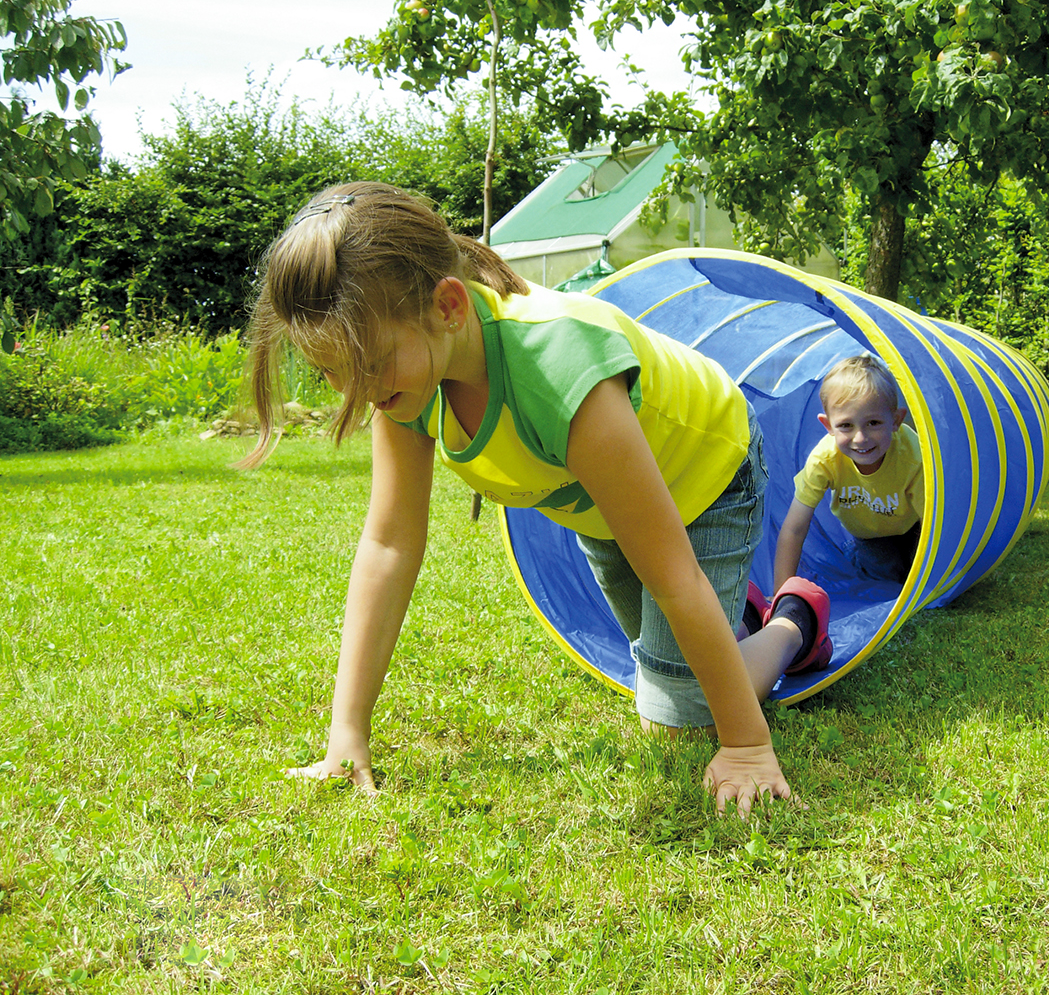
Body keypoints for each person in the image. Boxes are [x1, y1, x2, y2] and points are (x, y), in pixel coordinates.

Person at [241, 182, 832, 817]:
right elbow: (389, 544)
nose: (356, 391)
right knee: (677, 670)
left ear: (447, 306)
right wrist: (346, 733)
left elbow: (673, 573)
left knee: (680, 717)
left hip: (707, 472)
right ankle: (732, 615)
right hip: (603, 508)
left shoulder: (557, 366)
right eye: (333, 372)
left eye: (370, 363)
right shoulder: (401, 381)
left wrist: (745, 744)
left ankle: (794, 621)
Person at [773, 354, 923, 592]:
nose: (861, 438)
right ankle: (854, 552)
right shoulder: (824, 459)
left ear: (896, 420)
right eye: (846, 425)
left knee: (915, 576)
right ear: (828, 426)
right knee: (887, 577)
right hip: (870, 536)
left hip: (916, 525)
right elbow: (795, 527)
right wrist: (781, 592)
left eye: (874, 423)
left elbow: (934, 521)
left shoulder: (911, 455)